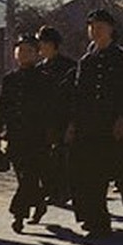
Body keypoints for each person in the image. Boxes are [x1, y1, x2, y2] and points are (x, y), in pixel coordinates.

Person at [66, 8, 123, 235]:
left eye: (100, 27)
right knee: (90, 174)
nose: (95, 31)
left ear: (111, 29)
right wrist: (72, 124)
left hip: (113, 124)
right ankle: (98, 221)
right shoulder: (87, 61)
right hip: (89, 125)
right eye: (92, 27)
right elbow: (78, 95)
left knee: (120, 171)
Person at [0, 34, 54, 233]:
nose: (23, 54)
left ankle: (18, 214)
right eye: (20, 50)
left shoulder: (43, 79)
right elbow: (2, 106)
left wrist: (51, 132)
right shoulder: (10, 79)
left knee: (29, 175)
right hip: (15, 135)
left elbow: (49, 109)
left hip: (37, 136)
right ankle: (39, 202)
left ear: (36, 54)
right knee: (23, 176)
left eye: (29, 50)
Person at [36, 25, 77, 209]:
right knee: (46, 158)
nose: (41, 47)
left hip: (64, 119)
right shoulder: (38, 69)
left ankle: (63, 191)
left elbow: (75, 97)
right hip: (44, 121)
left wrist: (72, 123)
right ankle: (52, 191)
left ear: (53, 45)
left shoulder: (69, 67)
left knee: (63, 157)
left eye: (43, 43)